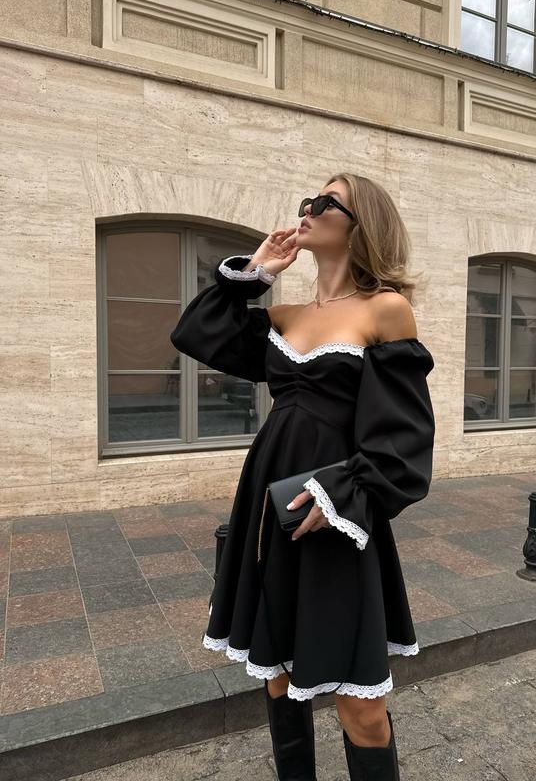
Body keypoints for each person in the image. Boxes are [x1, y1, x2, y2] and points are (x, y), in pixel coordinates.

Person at [170, 172, 436, 780]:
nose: (308, 209)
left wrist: (346, 492)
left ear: (361, 224)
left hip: (336, 509)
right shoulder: (284, 316)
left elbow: (405, 437)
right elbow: (196, 332)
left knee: (361, 706)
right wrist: (256, 272)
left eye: (325, 202)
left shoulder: (386, 309)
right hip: (269, 503)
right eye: (307, 201)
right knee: (279, 676)